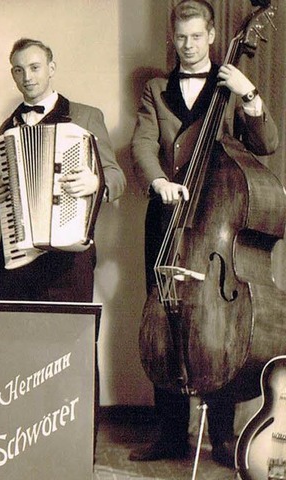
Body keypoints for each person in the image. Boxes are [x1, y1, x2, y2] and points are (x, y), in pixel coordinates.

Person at [129, 0, 279, 468]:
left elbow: (266, 145)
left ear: (212, 36)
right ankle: (171, 433)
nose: (189, 45)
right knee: (167, 317)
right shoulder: (156, 89)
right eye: (181, 38)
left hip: (219, 223)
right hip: (171, 221)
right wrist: (158, 181)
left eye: (197, 36)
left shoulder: (231, 87)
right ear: (172, 38)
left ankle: (222, 434)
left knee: (220, 326)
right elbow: (143, 143)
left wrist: (249, 94)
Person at [0, 38, 126, 457]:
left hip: (69, 256)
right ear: (13, 74)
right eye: (19, 70)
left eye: (35, 67)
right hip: (17, 256)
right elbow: (7, 193)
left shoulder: (85, 116)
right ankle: (22, 445)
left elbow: (116, 177)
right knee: (16, 351)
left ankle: (75, 447)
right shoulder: (7, 126)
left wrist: (95, 182)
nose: (27, 77)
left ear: (51, 67)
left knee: (73, 351)